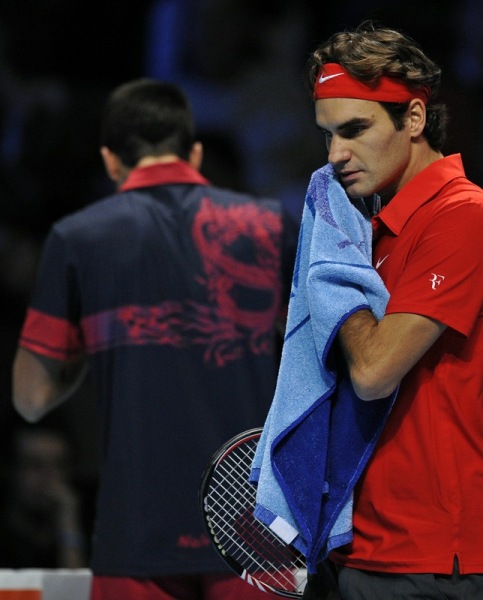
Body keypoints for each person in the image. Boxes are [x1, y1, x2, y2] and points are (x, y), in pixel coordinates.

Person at [12, 79, 298, 600]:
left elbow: (29, 398)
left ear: (110, 160)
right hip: (255, 533)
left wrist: (94, 342)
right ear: (195, 152)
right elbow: (325, 358)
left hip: (136, 536)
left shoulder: (78, 238)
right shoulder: (270, 225)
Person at [300, 20, 483, 600]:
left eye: (355, 129)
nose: (336, 155)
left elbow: (375, 371)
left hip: (432, 564)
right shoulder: (366, 234)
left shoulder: (464, 214)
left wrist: (332, 280)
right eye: (328, 135)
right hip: (357, 548)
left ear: (414, 118)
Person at [0, 426, 87, 568]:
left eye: (59, 465)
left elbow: (76, 581)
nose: (48, 477)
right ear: (12, 471)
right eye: (35, 465)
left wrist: (69, 525)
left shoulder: (89, 527)